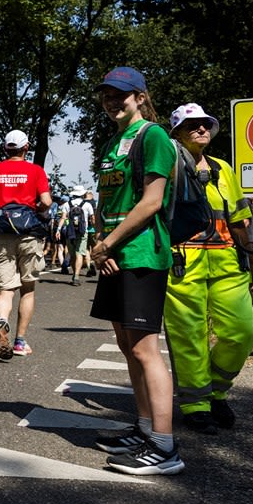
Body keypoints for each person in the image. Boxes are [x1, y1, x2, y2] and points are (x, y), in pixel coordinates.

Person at [87, 66, 183, 476]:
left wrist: (109, 243)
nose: (112, 101)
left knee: (146, 350)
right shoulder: (113, 142)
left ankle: (164, 447)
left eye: (120, 95)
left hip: (141, 254)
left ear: (140, 97)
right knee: (129, 348)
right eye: (107, 95)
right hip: (114, 255)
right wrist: (100, 244)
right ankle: (144, 429)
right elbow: (108, 202)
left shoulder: (153, 136)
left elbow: (151, 202)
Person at [160, 103, 253, 434]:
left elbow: (239, 219)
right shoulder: (167, 166)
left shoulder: (223, 169)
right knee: (189, 336)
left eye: (205, 124)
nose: (202, 129)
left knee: (245, 329)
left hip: (228, 261)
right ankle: (196, 404)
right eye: (192, 125)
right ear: (176, 133)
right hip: (182, 262)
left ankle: (216, 390)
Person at [0, 129, 52, 360]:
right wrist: (37, 211)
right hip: (29, 234)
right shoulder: (35, 171)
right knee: (27, 289)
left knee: (5, 289)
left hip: (3, 235)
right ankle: (20, 341)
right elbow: (47, 201)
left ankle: (1, 320)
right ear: (26, 148)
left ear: (4, 149)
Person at [58, 186, 95, 285]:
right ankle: (76, 276)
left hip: (70, 232)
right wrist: (96, 230)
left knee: (73, 255)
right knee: (79, 254)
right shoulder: (87, 205)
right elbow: (93, 219)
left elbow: (63, 218)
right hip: (83, 232)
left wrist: (58, 229)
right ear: (83, 194)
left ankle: (74, 273)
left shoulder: (67, 204)